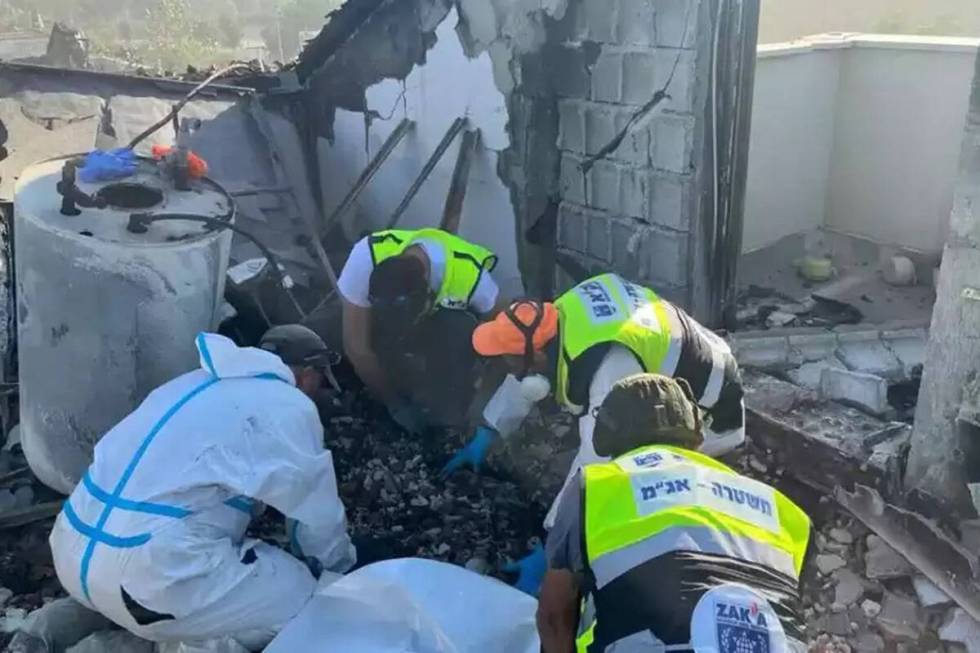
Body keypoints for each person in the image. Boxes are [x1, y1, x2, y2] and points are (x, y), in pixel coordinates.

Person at [49, 326, 356, 651]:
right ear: (308, 374)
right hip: (154, 575)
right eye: (320, 381)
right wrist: (338, 571)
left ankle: (55, 635)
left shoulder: (187, 383)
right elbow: (315, 515)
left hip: (71, 552)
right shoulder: (289, 403)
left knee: (159, 585)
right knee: (306, 602)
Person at [537, 374, 812, 653]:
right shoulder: (782, 508)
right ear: (695, 431)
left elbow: (554, 617)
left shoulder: (597, 484)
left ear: (607, 433)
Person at [443, 273, 746, 510]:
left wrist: (554, 550)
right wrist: (489, 432)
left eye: (510, 360)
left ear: (537, 354)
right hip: (697, 353)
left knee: (628, 481)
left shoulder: (607, 368)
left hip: (713, 412)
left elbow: (595, 462)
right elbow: (524, 371)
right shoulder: (561, 312)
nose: (509, 369)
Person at [337, 227, 506, 433]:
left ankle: (448, 413)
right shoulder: (366, 258)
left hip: (444, 329)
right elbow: (357, 348)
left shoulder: (471, 278)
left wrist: (481, 411)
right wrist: (393, 404)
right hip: (391, 329)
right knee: (360, 334)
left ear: (427, 294)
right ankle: (400, 383)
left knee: (458, 327)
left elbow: (506, 335)